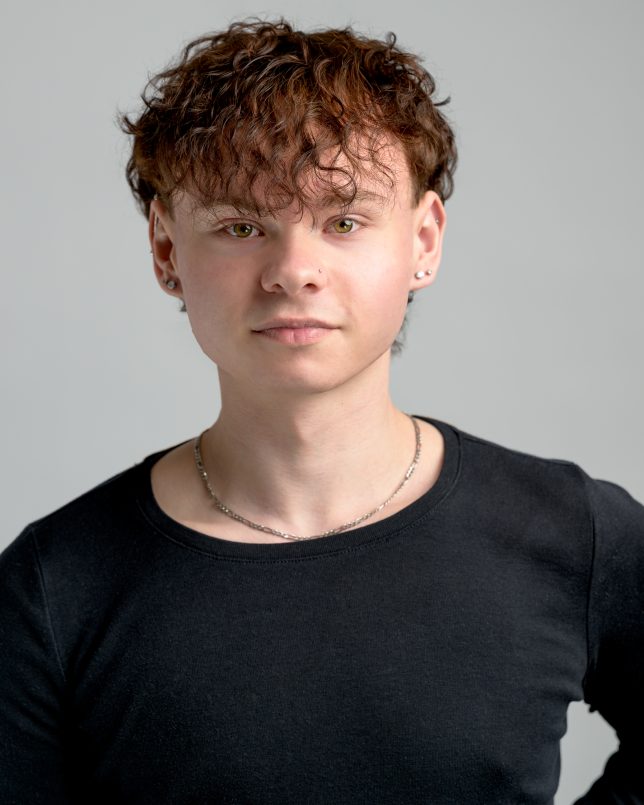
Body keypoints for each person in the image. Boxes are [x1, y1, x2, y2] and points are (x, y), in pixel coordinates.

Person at [1, 18, 642, 805]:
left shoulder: (574, 533)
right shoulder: (53, 586)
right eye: (242, 227)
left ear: (424, 240)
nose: (293, 270)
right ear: (166, 251)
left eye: (343, 222)